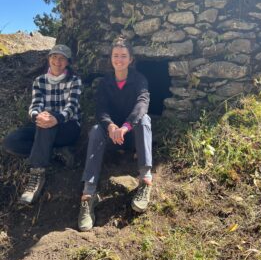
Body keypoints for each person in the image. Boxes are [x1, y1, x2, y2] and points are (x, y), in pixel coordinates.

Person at [78, 37, 152, 232]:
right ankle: (88, 194)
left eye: (123, 56)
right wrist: (110, 126)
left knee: (145, 120)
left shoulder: (139, 79)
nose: (119, 59)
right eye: (115, 56)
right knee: (95, 130)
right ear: (111, 58)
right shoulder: (105, 82)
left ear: (131, 59)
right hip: (112, 136)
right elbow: (101, 109)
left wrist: (126, 126)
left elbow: (142, 104)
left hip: (131, 134)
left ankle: (145, 180)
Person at [2, 44, 82, 205]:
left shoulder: (74, 81)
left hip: (68, 127)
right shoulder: (39, 81)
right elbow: (36, 104)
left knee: (47, 124)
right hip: (43, 126)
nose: (57, 62)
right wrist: (37, 115)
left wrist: (55, 118)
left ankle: (37, 174)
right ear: (49, 59)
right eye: (54, 57)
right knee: (10, 142)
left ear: (67, 63)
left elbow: (72, 107)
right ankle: (56, 152)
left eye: (62, 59)